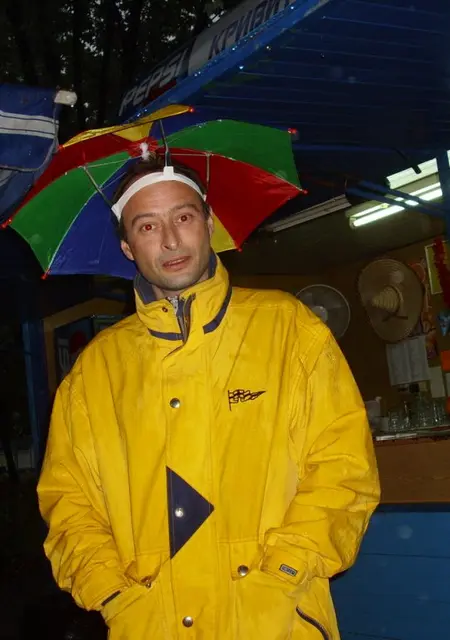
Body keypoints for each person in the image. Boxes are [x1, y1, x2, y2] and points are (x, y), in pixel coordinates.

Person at [38, 154, 380, 640]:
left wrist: (284, 573)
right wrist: (114, 594)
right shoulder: (94, 372)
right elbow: (69, 503)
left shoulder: (289, 330)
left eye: (183, 217)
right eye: (147, 226)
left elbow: (344, 470)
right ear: (127, 247)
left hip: (277, 621)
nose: (170, 240)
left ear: (209, 224)